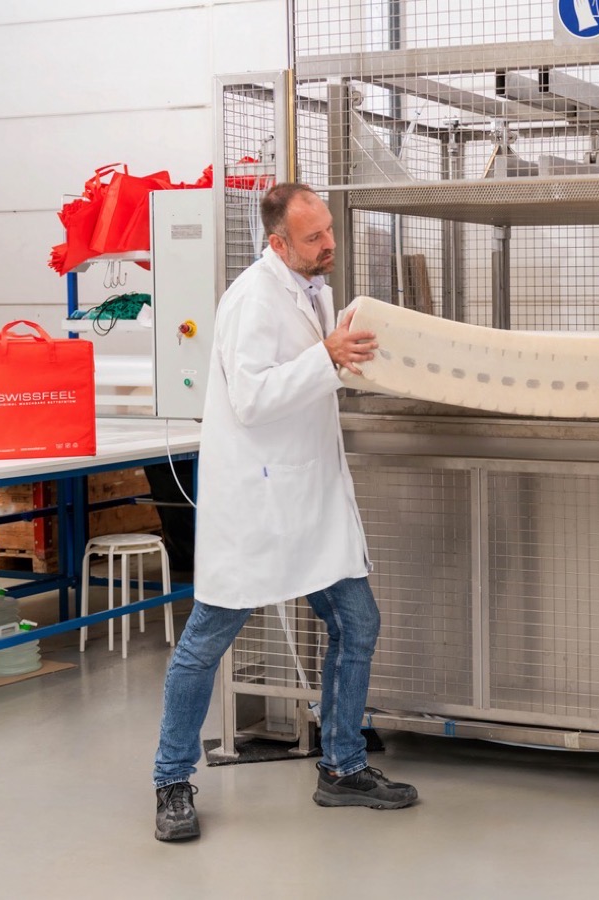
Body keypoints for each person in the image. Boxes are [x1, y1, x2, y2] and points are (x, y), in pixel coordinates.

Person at [152, 182, 416, 842]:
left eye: (328, 229)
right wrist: (326, 358)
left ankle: (342, 768)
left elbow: (310, 376)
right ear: (277, 242)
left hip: (311, 498)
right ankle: (171, 780)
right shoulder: (252, 299)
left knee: (357, 622)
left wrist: (343, 361)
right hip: (260, 505)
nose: (330, 243)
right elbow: (251, 399)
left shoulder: (314, 290)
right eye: (314, 236)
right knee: (206, 641)